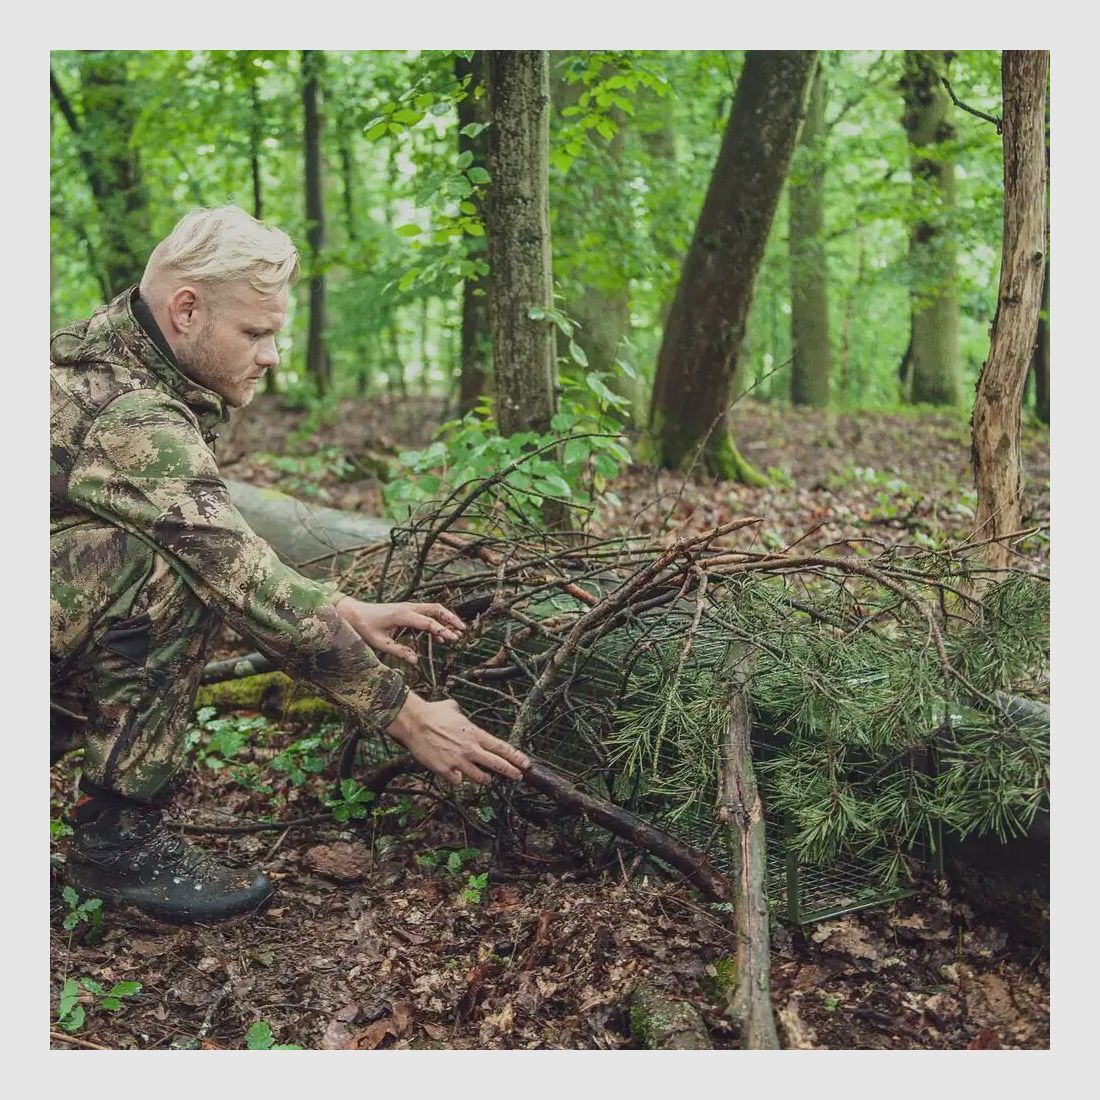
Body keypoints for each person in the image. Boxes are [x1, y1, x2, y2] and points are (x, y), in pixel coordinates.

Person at [50, 205, 530, 923]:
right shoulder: (133, 417)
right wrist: (404, 714)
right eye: (256, 332)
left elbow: (215, 535)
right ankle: (119, 846)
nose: (273, 355)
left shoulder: (114, 365)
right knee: (160, 573)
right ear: (186, 310)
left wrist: (337, 607)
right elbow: (235, 575)